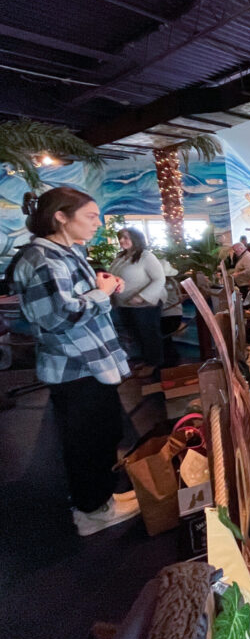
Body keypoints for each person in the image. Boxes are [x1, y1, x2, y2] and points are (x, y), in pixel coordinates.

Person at [12, 187, 141, 536]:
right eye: (90, 216)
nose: (98, 223)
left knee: (103, 435)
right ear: (60, 217)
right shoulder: (44, 259)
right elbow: (57, 317)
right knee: (86, 442)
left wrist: (102, 286)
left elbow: (72, 302)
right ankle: (91, 512)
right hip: (75, 367)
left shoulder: (65, 253)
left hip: (89, 364)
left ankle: (101, 500)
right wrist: (101, 293)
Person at [109, 227, 167, 374]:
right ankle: (146, 360)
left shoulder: (146, 256)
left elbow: (160, 279)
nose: (122, 241)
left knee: (148, 334)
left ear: (136, 239)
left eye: (126, 238)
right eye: (120, 237)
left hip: (144, 305)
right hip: (124, 305)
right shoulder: (121, 256)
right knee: (136, 334)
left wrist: (142, 297)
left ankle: (154, 363)